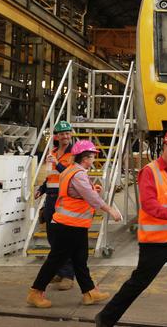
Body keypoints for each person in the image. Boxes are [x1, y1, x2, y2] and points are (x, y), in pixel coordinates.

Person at [95, 127, 167, 327]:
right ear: (165, 145)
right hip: (155, 243)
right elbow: (149, 205)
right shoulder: (149, 172)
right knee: (138, 283)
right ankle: (106, 318)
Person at [27, 140, 122, 308]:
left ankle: (89, 292)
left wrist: (94, 190)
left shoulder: (71, 170)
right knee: (56, 260)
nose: (93, 160)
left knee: (80, 259)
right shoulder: (78, 174)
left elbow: (79, 193)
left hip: (74, 225)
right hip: (67, 225)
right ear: (85, 158)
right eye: (92, 157)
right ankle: (35, 292)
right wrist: (110, 210)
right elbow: (89, 197)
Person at [35, 120, 76, 290]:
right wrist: (42, 189)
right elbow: (51, 176)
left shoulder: (74, 153)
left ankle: (68, 275)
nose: (65, 136)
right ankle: (59, 271)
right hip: (51, 198)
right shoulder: (52, 152)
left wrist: (57, 163)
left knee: (63, 237)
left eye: (68, 133)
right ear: (56, 136)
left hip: (64, 198)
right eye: (62, 134)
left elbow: (69, 174)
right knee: (53, 237)